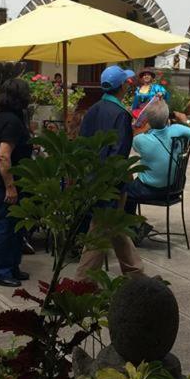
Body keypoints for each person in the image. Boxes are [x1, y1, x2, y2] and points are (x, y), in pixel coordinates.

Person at [75, 65, 144, 280]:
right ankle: (81, 281)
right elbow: (120, 153)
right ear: (122, 86)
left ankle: (135, 273)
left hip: (91, 178)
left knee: (114, 226)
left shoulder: (92, 110)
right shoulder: (121, 115)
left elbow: (82, 146)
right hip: (110, 183)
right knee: (100, 231)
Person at [0, 78, 33, 288]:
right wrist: (10, 186)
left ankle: (12, 266)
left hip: (7, 178)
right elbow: (4, 156)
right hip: (6, 180)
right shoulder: (12, 121)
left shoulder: (3, 117)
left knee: (15, 226)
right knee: (6, 225)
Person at [126, 99, 190, 213]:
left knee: (124, 187)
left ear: (148, 120)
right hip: (174, 188)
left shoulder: (140, 140)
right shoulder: (177, 129)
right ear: (167, 119)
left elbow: (134, 134)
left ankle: (131, 224)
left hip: (148, 190)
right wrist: (186, 121)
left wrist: (144, 125)